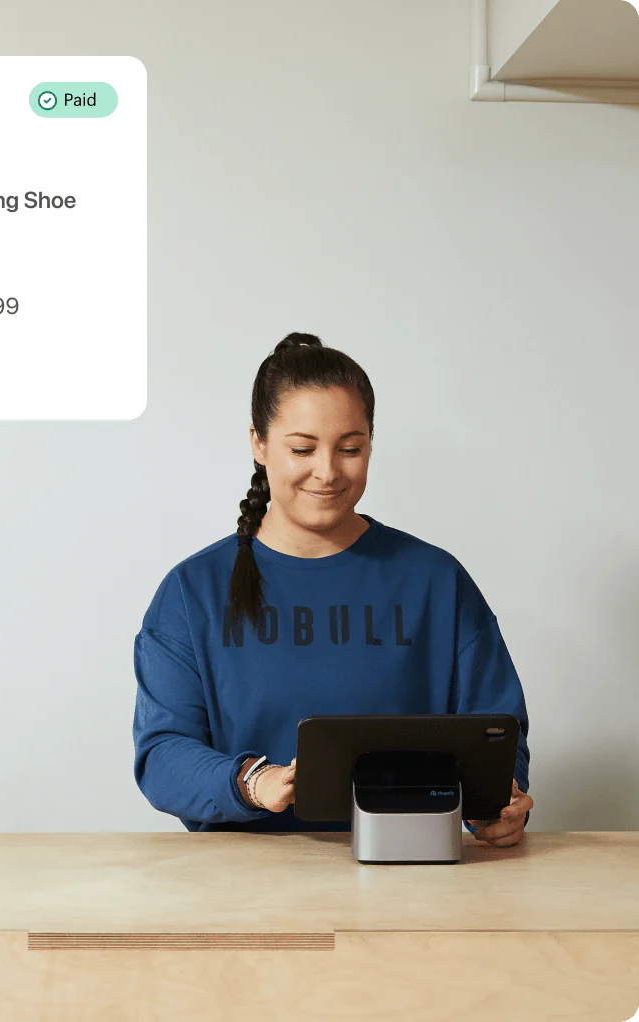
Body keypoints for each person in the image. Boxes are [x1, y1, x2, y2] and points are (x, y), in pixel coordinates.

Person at [132, 333, 533, 846]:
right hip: (240, 884)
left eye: (350, 448)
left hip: (412, 869)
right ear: (258, 442)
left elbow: (497, 730)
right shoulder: (192, 592)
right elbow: (162, 753)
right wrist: (253, 782)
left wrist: (500, 801)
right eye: (302, 448)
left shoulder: (435, 579)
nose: (327, 472)